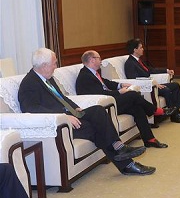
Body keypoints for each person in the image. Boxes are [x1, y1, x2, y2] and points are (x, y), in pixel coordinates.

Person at [18, 48, 154, 176]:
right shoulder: (29, 83)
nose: (55, 66)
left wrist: (75, 107)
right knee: (98, 129)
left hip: (71, 114)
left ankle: (120, 149)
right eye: (54, 63)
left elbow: (62, 98)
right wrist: (63, 117)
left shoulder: (47, 78)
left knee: (98, 111)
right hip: (59, 123)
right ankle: (127, 163)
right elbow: (31, 109)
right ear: (44, 65)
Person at [76, 50, 169, 148]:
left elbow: (106, 83)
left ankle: (149, 139)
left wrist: (121, 85)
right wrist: (119, 92)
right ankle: (155, 110)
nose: (101, 61)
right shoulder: (85, 76)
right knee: (132, 95)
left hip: (110, 100)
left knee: (137, 108)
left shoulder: (93, 73)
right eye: (99, 58)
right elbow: (100, 93)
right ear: (92, 60)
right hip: (104, 106)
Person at [124, 38, 180, 123]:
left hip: (151, 84)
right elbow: (134, 80)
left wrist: (166, 70)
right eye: (140, 47)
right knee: (166, 90)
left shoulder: (139, 61)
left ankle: (178, 112)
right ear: (135, 50)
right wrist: (154, 84)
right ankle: (174, 116)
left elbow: (150, 70)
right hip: (146, 87)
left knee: (175, 85)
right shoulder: (130, 63)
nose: (143, 49)